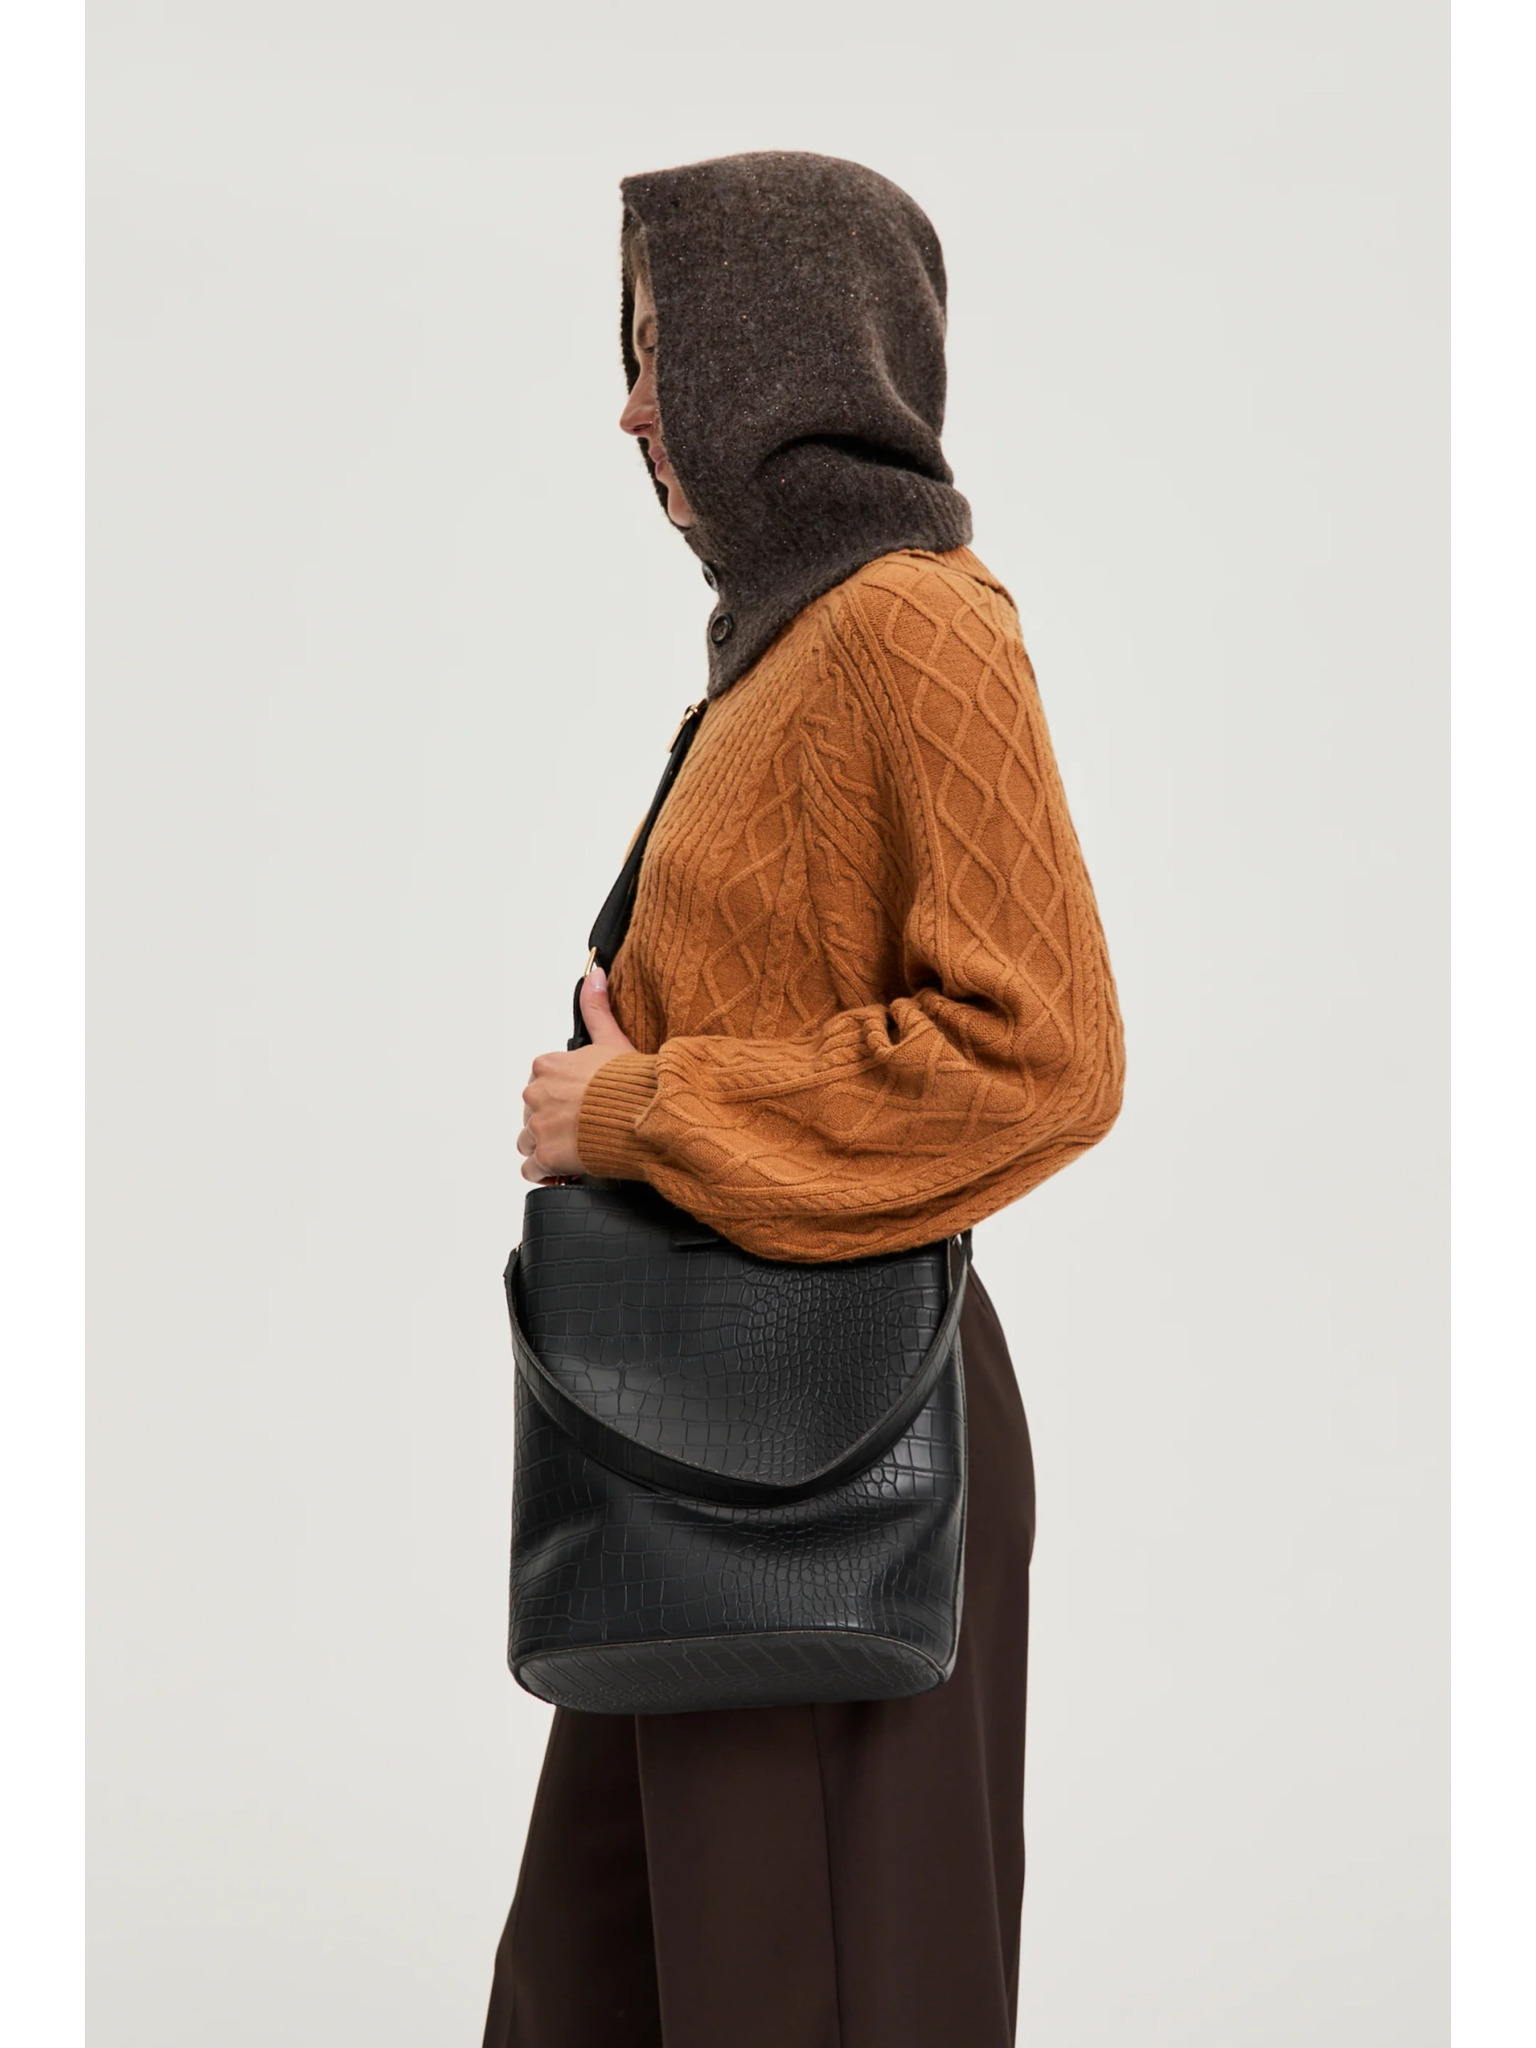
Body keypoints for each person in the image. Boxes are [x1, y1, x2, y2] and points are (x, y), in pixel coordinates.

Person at [487, 150, 1124, 2048]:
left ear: (775, 356)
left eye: (660, 347)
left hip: (835, 1441)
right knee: (599, 1986)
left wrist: (639, 1115)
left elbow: (1045, 1054)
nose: (630, 407)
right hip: (686, 1440)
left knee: (813, 2000)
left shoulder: (916, 623)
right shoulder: (778, 657)